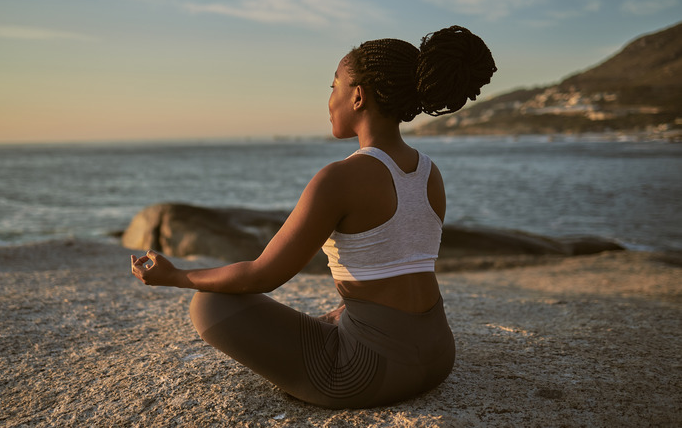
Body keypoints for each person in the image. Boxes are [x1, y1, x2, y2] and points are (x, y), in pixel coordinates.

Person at [131, 25, 496, 409]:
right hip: (439, 356)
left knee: (209, 304)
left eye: (333, 85)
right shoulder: (429, 173)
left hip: (367, 375)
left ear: (358, 96)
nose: (329, 98)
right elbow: (399, 266)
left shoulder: (339, 178)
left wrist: (175, 276)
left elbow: (262, 276)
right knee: (333, 316)